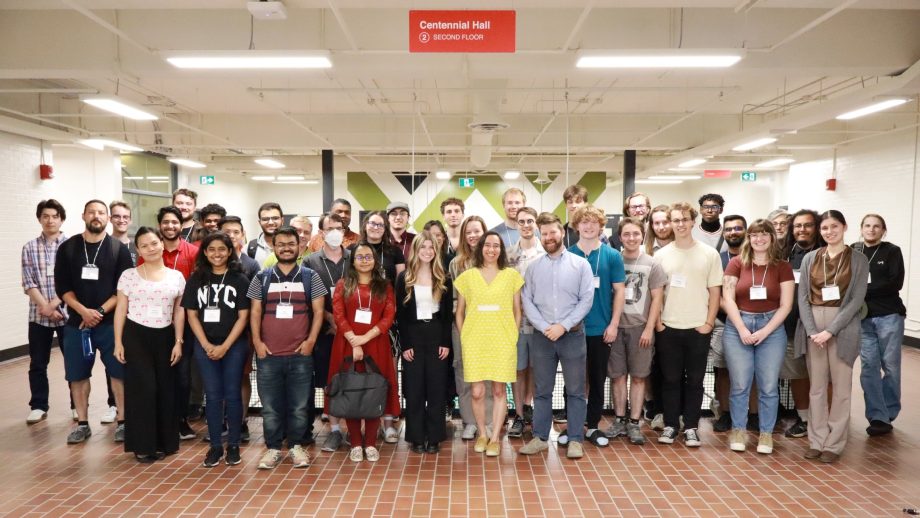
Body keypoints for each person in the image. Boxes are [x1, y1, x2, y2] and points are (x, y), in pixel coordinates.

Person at [55, 200, 133, 444]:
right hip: (77, 325)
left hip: (111, 324)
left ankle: (123, 421)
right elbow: (63, 288)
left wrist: (97, 312)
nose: (96, 216)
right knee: (77, 376)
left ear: (107, 218)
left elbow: (123, 289)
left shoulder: (117, 249)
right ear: (83, 216)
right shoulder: (68, 248)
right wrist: (83, 311)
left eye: (101, 213)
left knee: (119, 373)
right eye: (92, 212)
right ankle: (82, 423)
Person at [248, 227, 327, 469]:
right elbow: (255, 312)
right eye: (280, 244)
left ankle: (296, 447)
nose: (285, 247)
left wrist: (311, 341)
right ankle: (272, 449)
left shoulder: (309, 276)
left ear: (299, 246)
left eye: (290, 243)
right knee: (270, 407)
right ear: (273, 246)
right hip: (268, 355)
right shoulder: (261, 277)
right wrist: (258, 344)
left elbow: (319, 312)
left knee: (300, 405)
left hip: (300, 355)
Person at [518, 213, 593, 459]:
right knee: (542, 390)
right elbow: (526, 300)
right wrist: (543, 326)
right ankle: (540, 437)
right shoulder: (533, 267)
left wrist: (563, 325)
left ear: (562, 232)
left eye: (553, 232)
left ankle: (574, 440)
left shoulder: (580, 264)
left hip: (572, 335)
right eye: (545, 233)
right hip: (542, 337)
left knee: (575, 390)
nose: (549, 237)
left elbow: (586, 300)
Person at [796, 210, 868, 463]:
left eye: (834, 227)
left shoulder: (858, 259)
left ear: (844, 227)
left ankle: (834, 444)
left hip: (844, 326)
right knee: (816, 387)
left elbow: (856, 299)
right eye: (825, 228)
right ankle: (816, 441)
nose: (829, 232)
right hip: (813, 326)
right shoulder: (810, 258)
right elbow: (802, 297)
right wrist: (813, 330)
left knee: (841, 388)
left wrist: (830, 330)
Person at [721, 219, 795, 454]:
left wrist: (764, 331)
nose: (759, 239)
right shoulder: (736, 263)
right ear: (748, 238)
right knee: (740, 384)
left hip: (771, 328)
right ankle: (739, 430)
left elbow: (786, 305)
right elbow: (727, 298)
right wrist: (742, 328)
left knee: (769, 386)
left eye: (764, 234)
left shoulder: (782, 266)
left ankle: (765, 434)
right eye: (754, 235)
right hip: (737, 326)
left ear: (772, 237)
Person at [113, 227, 186, 463]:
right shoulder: (129, 275)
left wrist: (178, 341)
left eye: (154, 243)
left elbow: (179, 312)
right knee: (143, 390)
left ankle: (164, 442)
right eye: (144, 245)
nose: (151, 248)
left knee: (166, 390)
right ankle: (143, 445)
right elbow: (121, 311)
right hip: (136, 336)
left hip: (165, 336)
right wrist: (118, 342)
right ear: (138, 250)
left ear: (162, 244)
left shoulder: (176, 276)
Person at [654, 202, 722, 447]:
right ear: (670, 223)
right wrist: (659, 324)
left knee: (695, 380)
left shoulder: (709, 254)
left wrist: (708, 323)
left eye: (684, 219)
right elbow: (657, 293)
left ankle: (691, 427)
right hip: (669, 327)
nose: (680, 224)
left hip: (697, 328)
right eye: (675, 220)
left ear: (693, 221)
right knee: (670, 380)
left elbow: (715, 292)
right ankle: (671, 425)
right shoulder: (661, 255)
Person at [183, 232, 251, 467]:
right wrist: (206, 344)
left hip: (233, 345)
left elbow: (244, 316)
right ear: (204, 252)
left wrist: (224, 346)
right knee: (212, 396)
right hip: (205, 346)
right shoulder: (196, 279)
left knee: (232, 395)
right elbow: (191, 314)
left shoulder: (239, 279)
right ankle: (214, 447)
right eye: (211, 249)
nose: (217, 254)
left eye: (222, 249)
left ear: (230, 251)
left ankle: (233, 445)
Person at [328, 242, 400, 462]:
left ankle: (370, 442)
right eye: (360, 257)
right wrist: (354, 341)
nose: (365, 260)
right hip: (346, 345)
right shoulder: (343, 284)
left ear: (375, 260)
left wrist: (364, 339)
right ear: (353, 260)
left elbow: (388, 316)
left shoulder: (385, 286)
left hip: (376, 344)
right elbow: (338, 315)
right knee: (350, 390)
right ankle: (355, 443)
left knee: (373, 391)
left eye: (369, 256)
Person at [454, 231, 523, 457]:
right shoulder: (467, 276)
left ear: (501, 249)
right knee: (476, 391)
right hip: (475, 340)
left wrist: (513, 335)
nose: (491, 249)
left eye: (496, 245)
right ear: (480, 248)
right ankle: (482, 433)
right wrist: (465, 336)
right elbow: (460, 311)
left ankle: (495, 438)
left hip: (502, 339)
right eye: (487, 245)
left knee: (499, 389)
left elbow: (517, 310)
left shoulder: (511, 275)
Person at [139, 206, 200, 441]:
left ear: (181, 224)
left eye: (175, 222)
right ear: (160, 224)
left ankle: (181, 420)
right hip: (154, 322)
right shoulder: (151, 251)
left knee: (182, 375)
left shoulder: (193, 252)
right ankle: (160, 420)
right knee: (157, 373)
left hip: (184, 322)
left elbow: (195, 288)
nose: (170, 226)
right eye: (166, 222)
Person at [568, 204, 625, 448]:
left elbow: (619, 292)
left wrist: (613, 324)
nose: (589, 226)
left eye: (593, 222)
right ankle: (573, 427)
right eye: (584, 221)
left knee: (597, 378)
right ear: (576, 225)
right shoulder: (568, 254)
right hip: (572, 329)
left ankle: (592, 426)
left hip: (601, 329)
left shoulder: (612, 255)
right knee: (573, 381)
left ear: (601, 226)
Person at [607, 218, 666, 445]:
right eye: (626, 234)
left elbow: (657, 298)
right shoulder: (614, 261)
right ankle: (619, 419)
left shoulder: (652, 264)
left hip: (640, 328)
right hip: (616, 327)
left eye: (635, 234)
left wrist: (650, 329)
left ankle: (634, 422)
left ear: (642, 236)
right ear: (620, 237)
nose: (631, 238)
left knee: (639, 377)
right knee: (617, 376)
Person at [396, 232, 452, 453]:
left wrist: (446, 342)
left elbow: (447, 315)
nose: (427, 251)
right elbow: (401, 315)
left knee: (437, 388)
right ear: (415, 251)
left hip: (437, 333)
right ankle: (417, 437)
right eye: (423, 247)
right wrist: (405, 345)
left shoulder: (443, 276)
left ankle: (435, 437)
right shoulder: (404, 278)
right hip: (413, 335)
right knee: (415, 388)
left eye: (431, 247)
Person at [853, 214, 905, 437]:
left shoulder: (891, 251)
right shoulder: (853, 251)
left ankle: (890, 410)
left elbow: (895, 283)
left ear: (883, 230)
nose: (871, 230)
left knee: (891, 367)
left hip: (889, 316)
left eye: (876, 227)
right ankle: (878, 416)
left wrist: (860, 292)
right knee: (869, 367)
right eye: (867, 226)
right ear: (861, 228)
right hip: (862, 318)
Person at [304, 213, 351, 453]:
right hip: (324, 331)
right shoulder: (310, 262)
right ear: (321, 233)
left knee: (353, 378)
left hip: (352, 332)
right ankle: (334, 431)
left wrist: (344, 325)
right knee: (329, 381)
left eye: (338, 228)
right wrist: (331, 321)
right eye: (329, 228)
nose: (334, 232)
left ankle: (353, 427)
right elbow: (310, 298)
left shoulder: (354, 259)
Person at [22, 199, 69, 424]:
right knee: (38, 363)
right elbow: (28, 282)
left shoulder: (72, 245)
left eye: (54, 216)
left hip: (68, 313)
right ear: (39, 218)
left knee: (73, 361)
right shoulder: (29, 247)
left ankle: (77, 405)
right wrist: (47, 308)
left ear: (61, 218)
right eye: (45, 216)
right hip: (38, 315)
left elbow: (74, 281)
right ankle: (39, 405)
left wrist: (55, 304)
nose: (50, 220)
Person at [781, 209, 824, 439]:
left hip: (819, 327)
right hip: (790, 326)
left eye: (807, 225)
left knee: (822, 376)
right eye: (797, 226)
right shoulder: (786, 254)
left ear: (816, 227)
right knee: (796, 375)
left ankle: (823, 421)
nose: (802, 229)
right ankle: (805, 418)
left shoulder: (826, 255)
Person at [448, 216, 492, 440]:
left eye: (477, 231)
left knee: (489, 374)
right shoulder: (456, 264)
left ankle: (489, 421)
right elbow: (456, 301)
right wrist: (462, 329)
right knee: (464, 372)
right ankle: (469, 421)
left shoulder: (494, 261)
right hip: (463, 326)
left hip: (490, 327)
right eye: (469, 232)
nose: (473, 235)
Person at [218, 215, 260, 441]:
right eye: (227, 232)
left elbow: (255, 301)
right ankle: (222, 422)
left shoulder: (251, 265)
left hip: (243, 331)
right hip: (214, 331)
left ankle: (241, 422)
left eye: (236, 231)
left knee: (242, 376)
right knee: (219, 378)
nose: (231, 236)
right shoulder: (208, 264)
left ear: (243, 235)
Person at [506, 207, 544, 438]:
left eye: (530, 220)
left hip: (540, 323)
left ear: (536, 223)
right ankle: (519, 415)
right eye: (522, 221)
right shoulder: (509, 255)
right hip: (516, 322)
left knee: (536, 369)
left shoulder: (546, 253)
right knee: (518, 369)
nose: (526, 225)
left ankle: (531, 409)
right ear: (516, 224)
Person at [711, 214, 747, 433]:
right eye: (729, 229)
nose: (733, 232)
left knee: (750, 372)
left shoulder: (757, 258)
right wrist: (736, 315)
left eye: (738, 228)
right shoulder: (718, 259)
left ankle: (752, 415)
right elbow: (715, 292)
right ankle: (724, 413)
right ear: (723, 233)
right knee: (723, 370)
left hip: (757, 322)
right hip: (724, 323)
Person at [351, 211, 405, 284]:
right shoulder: (352, 249)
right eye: (372, 223)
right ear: (365, 226)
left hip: (388, 294)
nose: (376, 227)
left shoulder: (396, 251)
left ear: (385, 229)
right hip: (358, 294)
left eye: (380, 225)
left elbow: (400, 282)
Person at [110, 200, 137, 265]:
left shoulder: (137, 248)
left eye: (125, 217)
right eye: (117, 216)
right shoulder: (102, 245)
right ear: (110, 219)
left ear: (130, 221)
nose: (121, 220)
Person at [440, 197, 465, 263]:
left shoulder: (470, 239)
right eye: (449, 212)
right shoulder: (438, 240)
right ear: (443, 216)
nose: (453, 215)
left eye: (457, 211)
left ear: (463, 215)